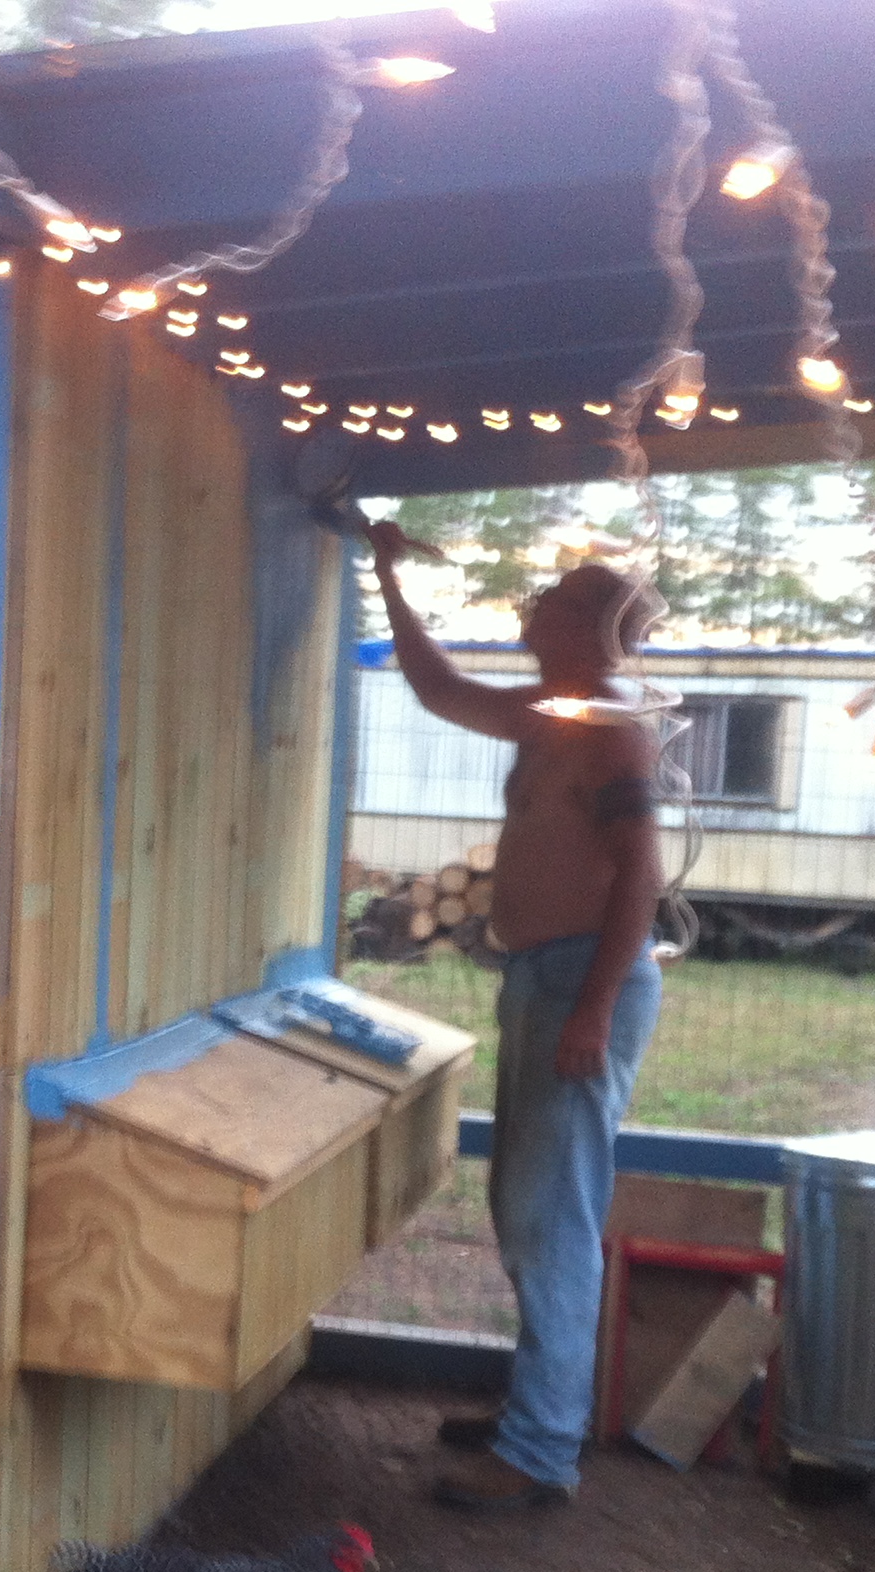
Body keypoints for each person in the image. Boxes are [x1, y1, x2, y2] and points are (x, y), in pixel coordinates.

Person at [368, 525, 666, 1510]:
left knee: (551, 1217)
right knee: (525, 1207)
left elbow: (641, 876)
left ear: (590, 628)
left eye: (555, 599)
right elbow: (438, 689)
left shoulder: (608, 729)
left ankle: (539, 1452)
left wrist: (593, 1008)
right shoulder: (550, 713)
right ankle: (536, 1415)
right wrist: (387, 578)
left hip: (581, 983)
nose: (532, 607)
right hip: (545, 979)